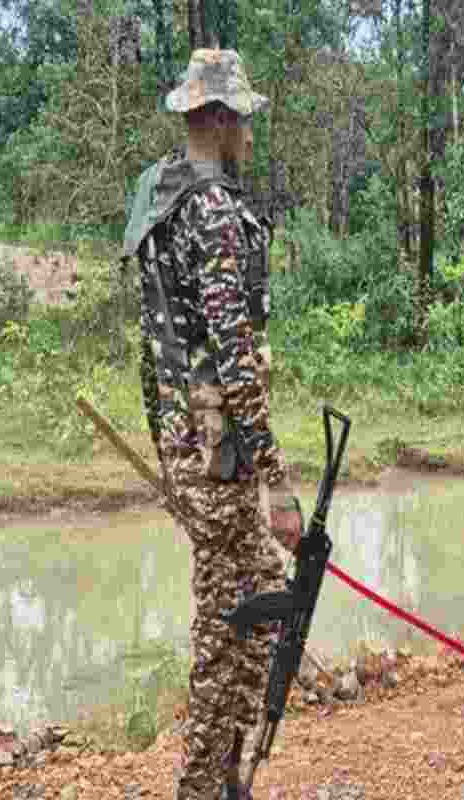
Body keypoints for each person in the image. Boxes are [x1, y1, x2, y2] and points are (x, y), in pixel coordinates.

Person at [121, 48, 303, 800]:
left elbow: (151, 347)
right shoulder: (215, 212)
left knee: (253, 604)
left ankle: (230, 773)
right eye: (245, 121)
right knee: (228, 626)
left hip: (185, 442)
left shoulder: (157, 199)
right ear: (220, 119)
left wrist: (167, 451)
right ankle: (208, 786)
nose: (250, 137)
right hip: (220, 454)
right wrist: (280, 484)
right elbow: (234, 358)